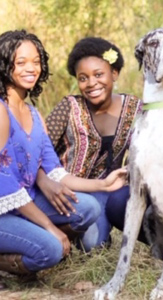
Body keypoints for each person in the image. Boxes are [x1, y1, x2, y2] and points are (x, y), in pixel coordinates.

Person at [0, 30, 127, 282]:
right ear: (5, 65)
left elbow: (55, 171)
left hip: (25, 201)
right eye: (21, 62)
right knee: (50, 249)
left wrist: (103, 184)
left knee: (88, 207)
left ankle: (31, 237)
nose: (31, 68)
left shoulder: (34, 115)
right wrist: (49, 227)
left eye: (36, 61)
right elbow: (4, 183)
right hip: (4, 206)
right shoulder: (1, 111)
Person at [44, 37, 141, 251]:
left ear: (114, 74)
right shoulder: (68, 108)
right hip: (66, 191)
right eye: (83, 78)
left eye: (99, 74)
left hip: (107, 192)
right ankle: (58, 237)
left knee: (93, 245)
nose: (91, 83)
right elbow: (39, 150)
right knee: (87, 241)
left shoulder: (136, 109)